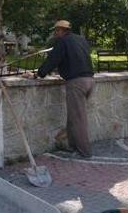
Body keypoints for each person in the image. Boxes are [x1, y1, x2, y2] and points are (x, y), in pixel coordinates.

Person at [25, 20, 94, 157]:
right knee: (73, 117)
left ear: (62, 30)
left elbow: (52, 60)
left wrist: (38, 74)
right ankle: (73, 146)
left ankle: (84, 152)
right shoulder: (80, 40)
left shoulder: (62, 42)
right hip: (90, 81)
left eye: (56, 31)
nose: (55, 33)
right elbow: (77, 58)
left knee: (78, 118)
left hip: (76, 83)